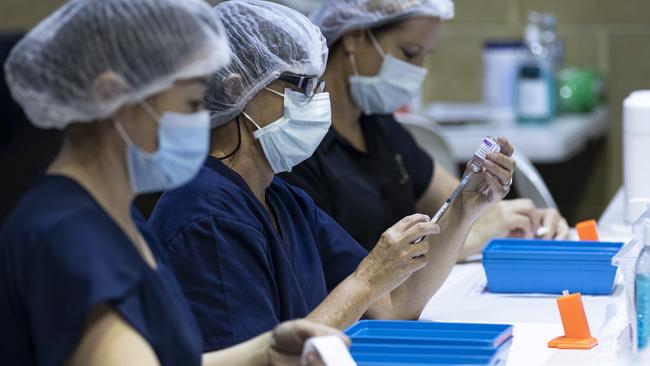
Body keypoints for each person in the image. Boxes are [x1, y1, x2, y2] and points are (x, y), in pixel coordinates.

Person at [149, 0, 515, 351]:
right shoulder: (207, 216)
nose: (317, 103)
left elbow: (392, 307)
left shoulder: (284, 201)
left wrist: (466, 207)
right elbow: (264, 356)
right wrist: (366, 279)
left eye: (318, 86)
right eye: (302, 87)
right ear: (235, 89)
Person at [0, 0, 346, 365]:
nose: (204, 121)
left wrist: (262, 351)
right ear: (110, 94)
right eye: (192, 102)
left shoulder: (117, 217)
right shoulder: (68, 237)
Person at [281, 0, 570, 259]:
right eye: (409, 53)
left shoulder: (379, 127)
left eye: (425, 56)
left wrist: (527, 219)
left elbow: (459, 202)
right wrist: (466, 239)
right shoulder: (301, 145)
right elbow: (336, 271)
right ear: (355, 35)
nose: (418, 70)